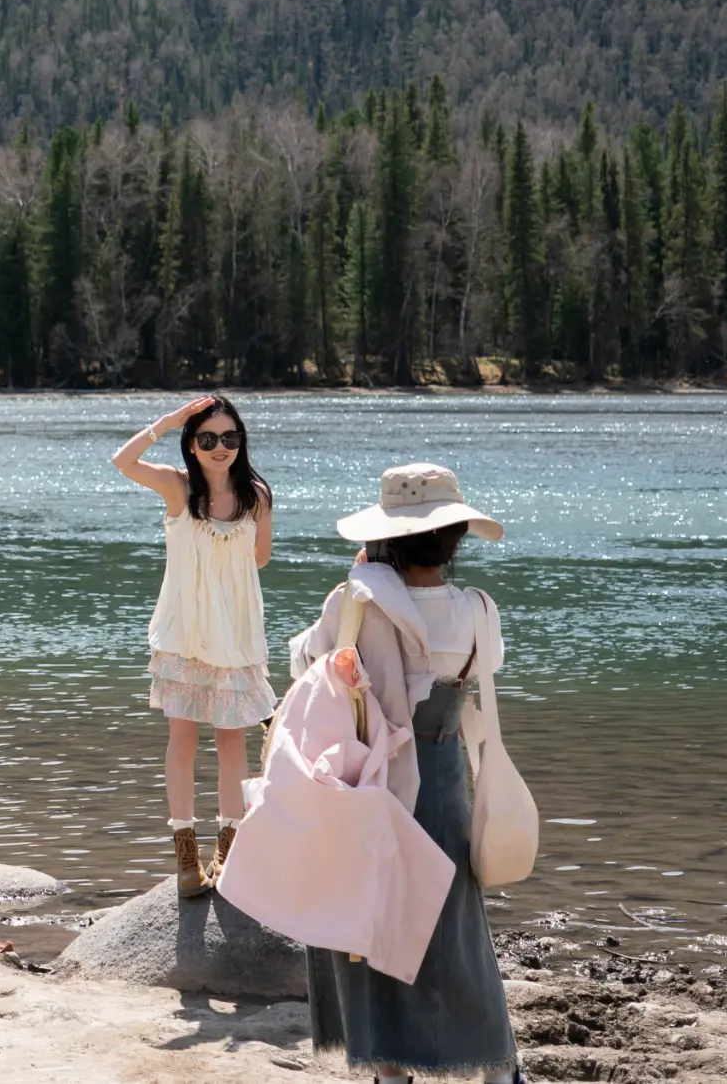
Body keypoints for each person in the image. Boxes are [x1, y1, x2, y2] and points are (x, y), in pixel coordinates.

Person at [290, 462, 520, 1083]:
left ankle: (390, 1072)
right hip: (442, 780)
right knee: (455, 928)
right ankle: (497, 1070)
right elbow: (488, 667)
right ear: (456, 538)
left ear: (385, 537)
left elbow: (306, 664)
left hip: (368, 781)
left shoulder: (354, 602)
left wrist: (360, 586)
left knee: (369, 921)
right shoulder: (477, 609)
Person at [110, 394, 274, 898]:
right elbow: (122, 461)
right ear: (192, 444)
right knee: (182, 743)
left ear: (241, 441)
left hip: (235, 639)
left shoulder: (257, 496)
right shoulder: (177, 488)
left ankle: (228, 850)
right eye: (207, 438)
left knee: (232, 744)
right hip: (185, 636)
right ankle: (187, 859)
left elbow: (260, 557)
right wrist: (168, 421)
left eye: (229, 437)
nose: (220, 446)